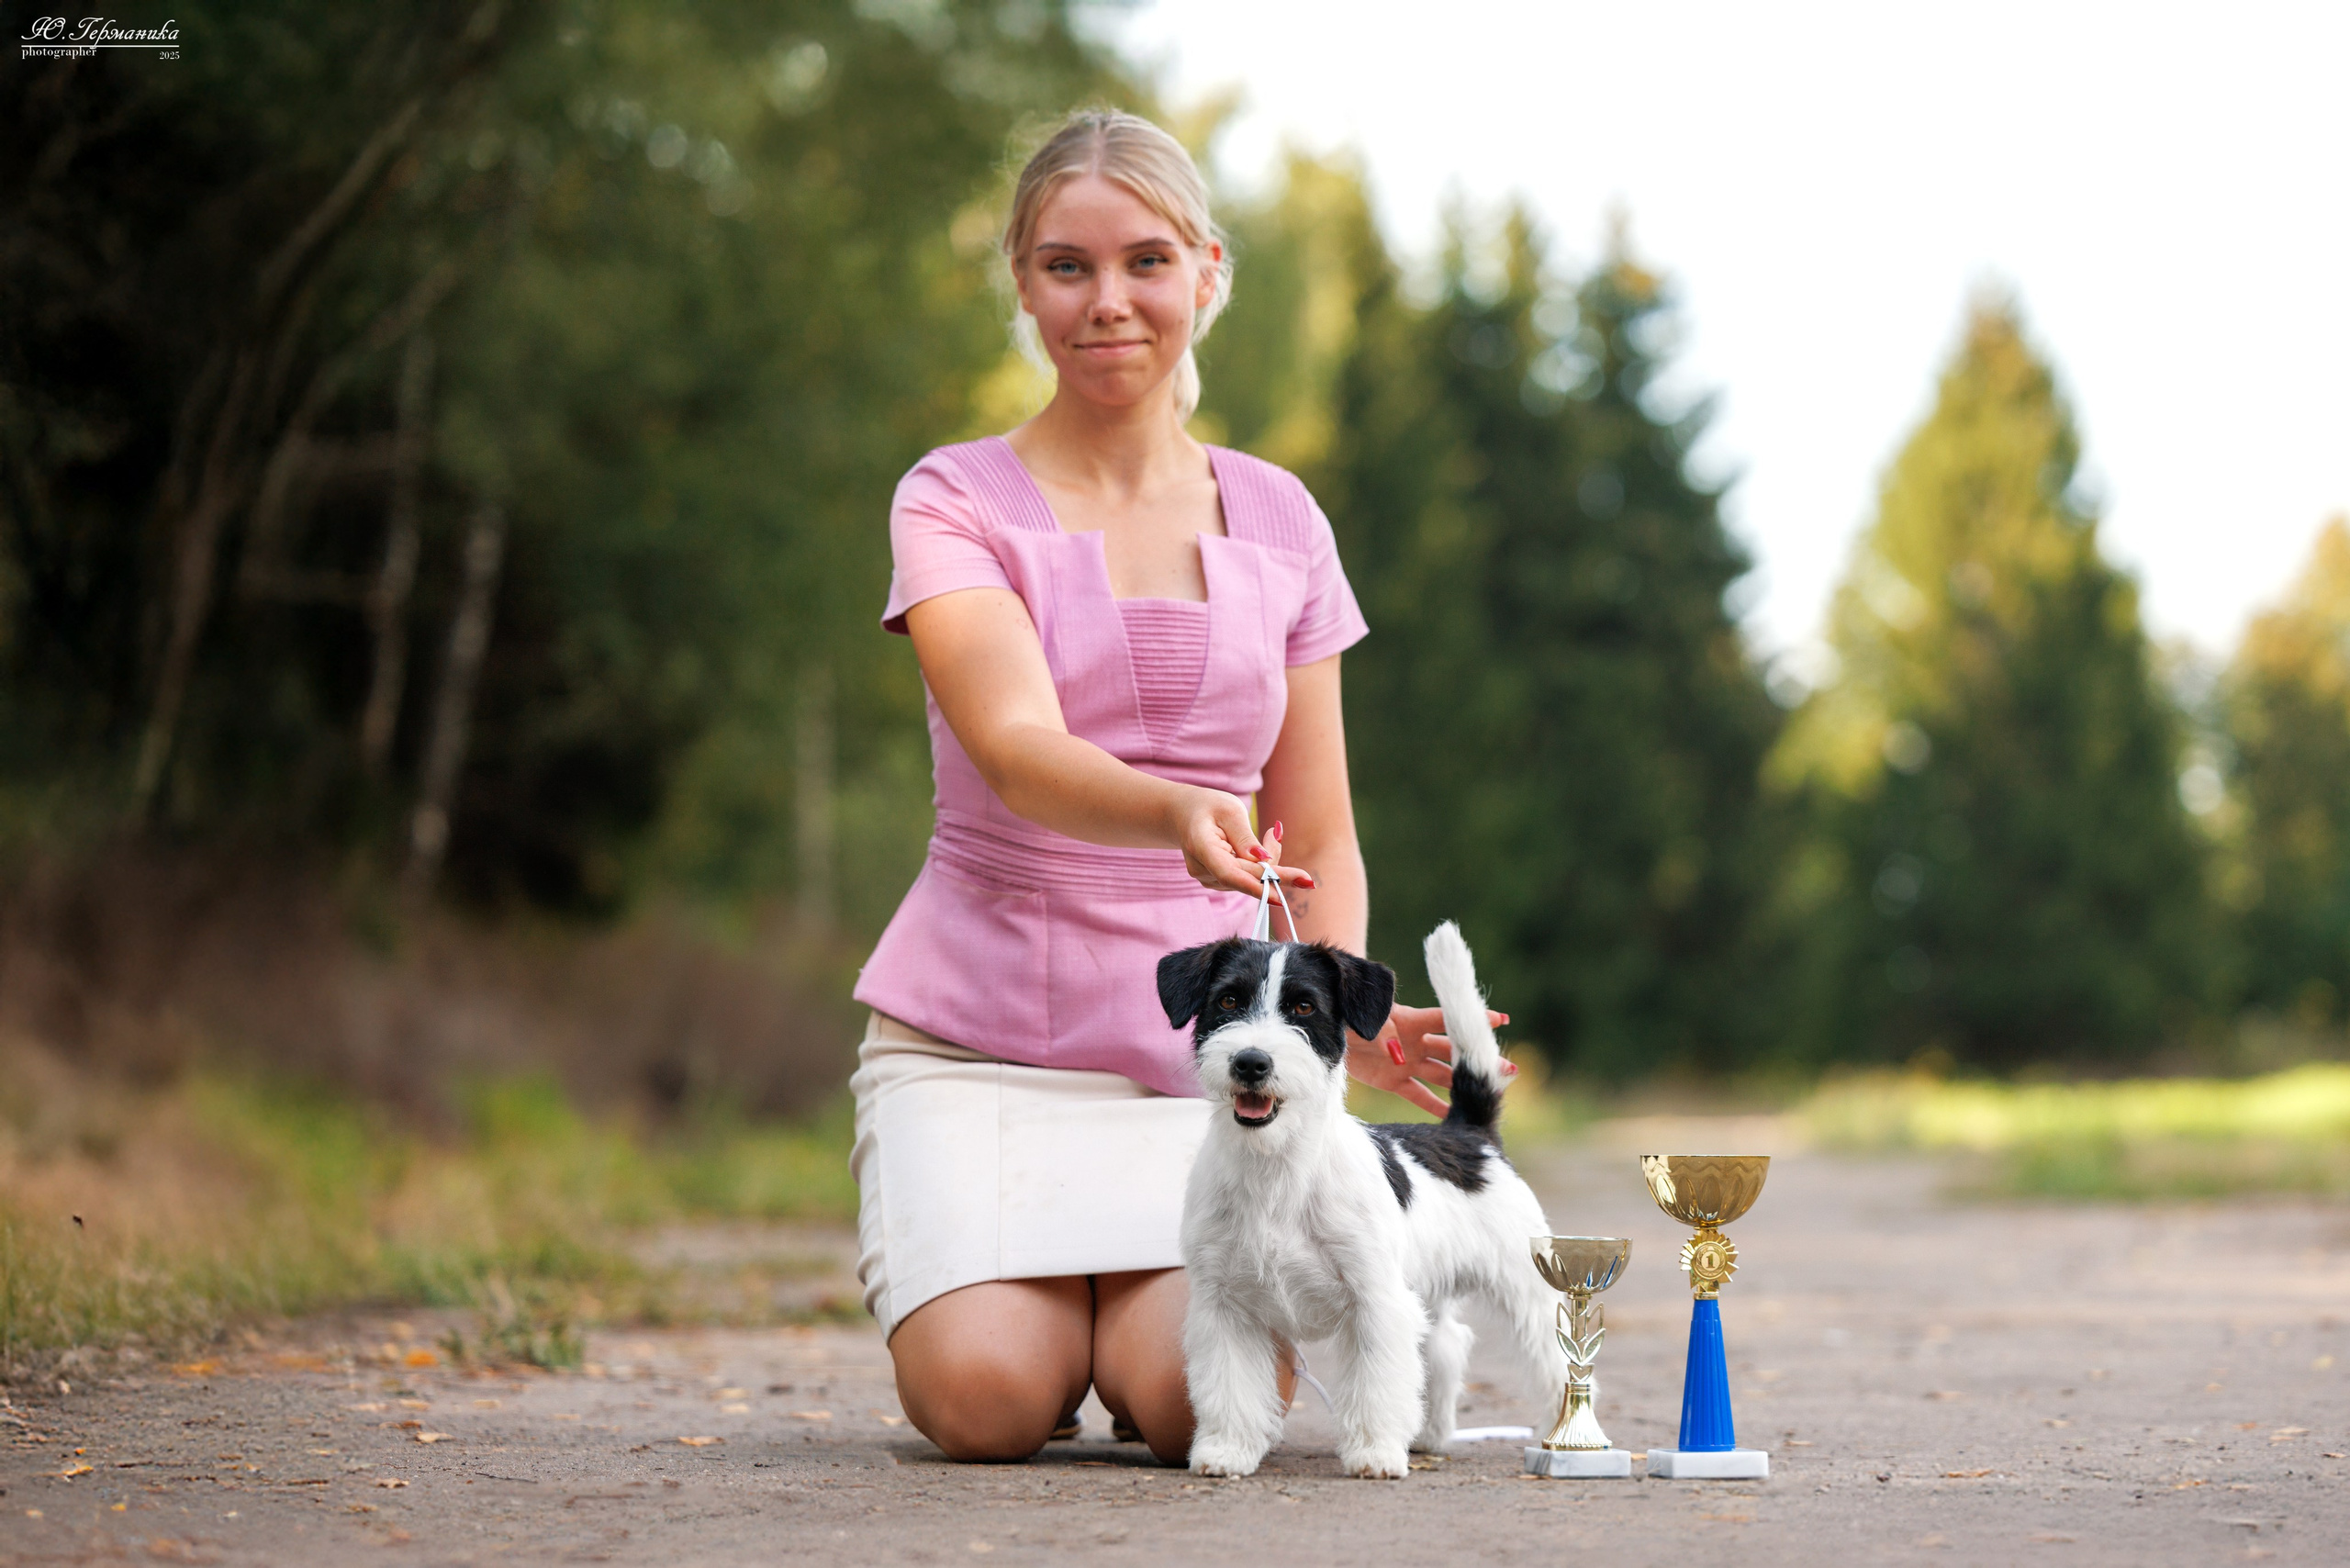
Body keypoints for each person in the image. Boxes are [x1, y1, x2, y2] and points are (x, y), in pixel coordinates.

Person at [848, 107, 1502, 1466]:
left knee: (1182, 1399)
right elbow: (1017, 747)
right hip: (977, 1047)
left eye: (1146, 261)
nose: (1107, 303)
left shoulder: (1281, 517)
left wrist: (1342, 1023)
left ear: (1208, 272)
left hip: (1205, 1076)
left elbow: (1317, 826)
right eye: (1065, 267)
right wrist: (1170, 814)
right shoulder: (952, 498)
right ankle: (1023, 1315)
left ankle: (1109, 1318)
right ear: (1024, 284)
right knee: (987, 1402)